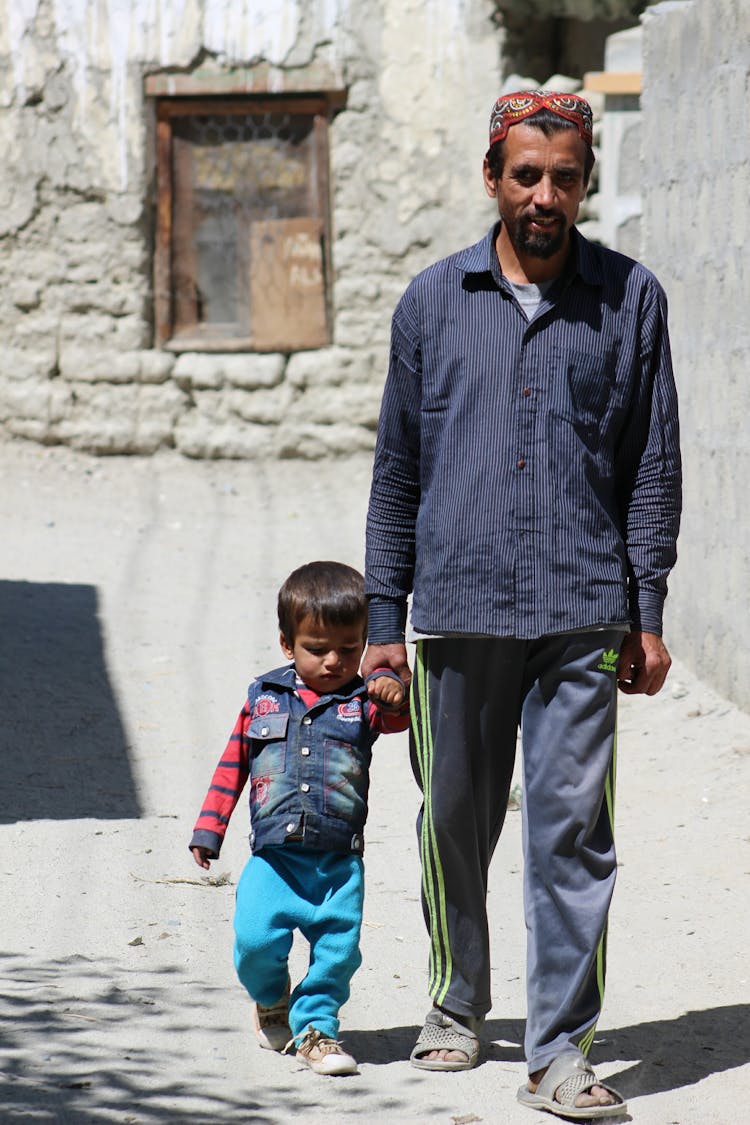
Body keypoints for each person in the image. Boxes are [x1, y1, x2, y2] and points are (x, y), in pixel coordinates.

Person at [363, 90, 681, 1118]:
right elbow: (397, 474)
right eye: (527, 175)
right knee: (454, 821)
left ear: (587, 185)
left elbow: (651, 470)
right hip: (455, 609)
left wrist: (649, 609)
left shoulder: (632, 302)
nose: (546, 195)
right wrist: (380, 627)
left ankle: (557, 1053)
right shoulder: (429, 302)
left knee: (571, 833)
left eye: (567, 178)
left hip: (583, 610)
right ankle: (457, 1005)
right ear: (493, 177)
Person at [190, 560, 409, 1076]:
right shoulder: (264, 698)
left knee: (337, 954)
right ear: (288, 644)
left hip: (337, 864)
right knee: (255, 942)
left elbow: (399, 719)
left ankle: (317, 1030)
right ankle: (271, 1000)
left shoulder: (363, 702)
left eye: (349, 649)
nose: (334, 661)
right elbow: (232, 764)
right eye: (317, 648)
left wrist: (393, 689)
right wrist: (209, 828)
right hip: (274, 859)